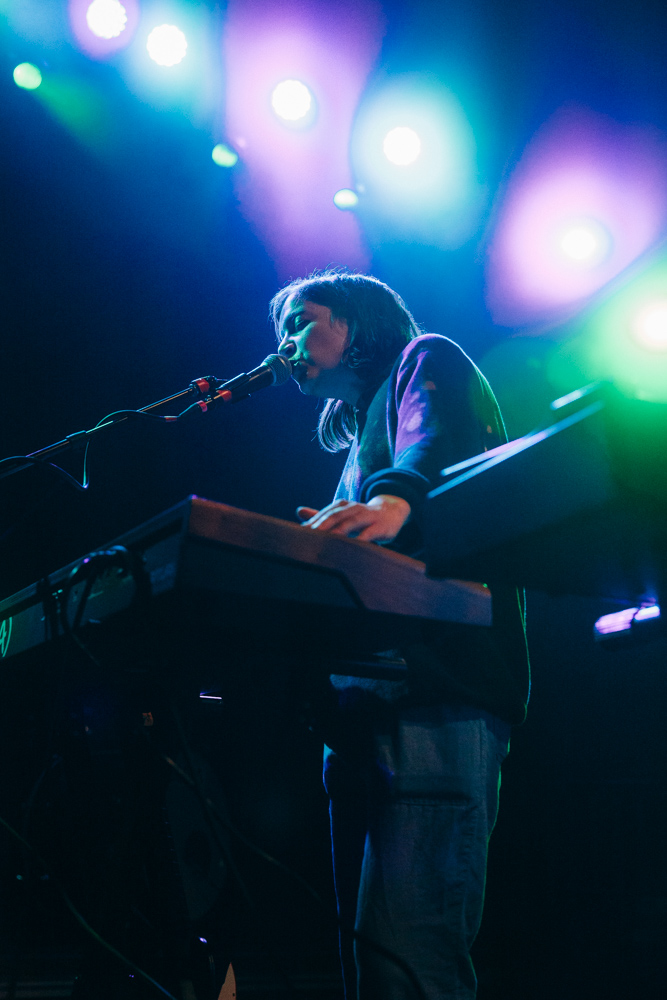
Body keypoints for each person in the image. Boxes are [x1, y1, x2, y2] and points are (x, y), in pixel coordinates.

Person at [271, 271, 529, 1000]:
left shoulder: (425, 358)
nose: (286, 344)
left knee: (407, 955)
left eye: (302, 321)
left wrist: (390, 503)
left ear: (356, 321)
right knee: (374, 964)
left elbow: (437, 450)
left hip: (432, 700)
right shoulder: (358, 445)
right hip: (367, 712)